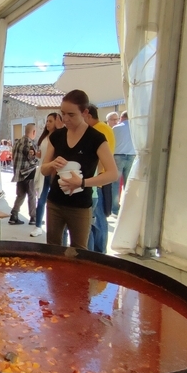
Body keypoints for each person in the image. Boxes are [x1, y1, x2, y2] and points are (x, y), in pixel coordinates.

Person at [40, 90, 118, 250]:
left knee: (79, 251)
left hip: (80, 205)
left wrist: (82, 183)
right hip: (55, 201)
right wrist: (53, 164)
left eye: (71, 114)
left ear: (85, 113)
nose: (65, 119)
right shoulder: (57, 136)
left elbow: (112, 174)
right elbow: (44, 170)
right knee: (52, 249)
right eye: (63, 114)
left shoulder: (96, 138)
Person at [84, 104, 116, 254]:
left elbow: (102, 159)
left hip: (98, 181)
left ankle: (100, 253)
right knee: (97, 219)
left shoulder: (97, 131)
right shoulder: (105, 128)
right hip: (100, 180)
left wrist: (95, 178)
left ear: (88, 115)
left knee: (98, 220)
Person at [31, 113, 64, 237]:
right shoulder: (45, 137)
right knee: (41, 198)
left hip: (54, 171)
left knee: (50, 199)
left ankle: (53, 227)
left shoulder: (59, 137)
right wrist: (35, 154)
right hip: (43, 170)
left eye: (50, 121)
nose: (47, 123)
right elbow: (42, 154)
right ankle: (38, 225)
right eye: (47, 121)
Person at [8, 123, 39, 225]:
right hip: (28, 173)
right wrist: (39, 161)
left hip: (19, 174)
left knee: (20, 195)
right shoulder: (29, 143)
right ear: (33, 132)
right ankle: (33, 218)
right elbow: (32, 158)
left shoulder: (17, 142)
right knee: (32, 195)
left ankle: (14, 216)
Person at [111, 111, 135, 217]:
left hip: (118, 156)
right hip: (132, 156)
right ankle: (129, 208)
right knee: (128, 184)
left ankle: (115, 208)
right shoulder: (135, 128)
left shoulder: (116, 128)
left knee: (115, 184)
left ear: (122, 117)